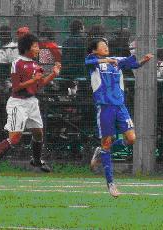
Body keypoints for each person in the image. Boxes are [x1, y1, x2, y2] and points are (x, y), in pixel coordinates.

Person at [0, 34, 61, 180]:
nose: (37, 48)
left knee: (38, 133)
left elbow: (39, 85)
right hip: (18, 103)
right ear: (27, 48)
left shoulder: (36, 65)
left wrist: (53, 74)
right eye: (35, 46)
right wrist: (33, 80)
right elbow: (16, 87)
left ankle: (36, 160)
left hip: (32, 102)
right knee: (15, 138)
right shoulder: (18, 63)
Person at [86, 38, 153, 197]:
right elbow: (88, 62)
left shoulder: (117, 60)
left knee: (131, 138)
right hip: (105, 107)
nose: (106, 47)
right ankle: (111, 184)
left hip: (120, 106)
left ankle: (101, 152)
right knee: (107, 143)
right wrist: (106, 59)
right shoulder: (93, 61)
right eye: (102, 45)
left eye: (107, 45)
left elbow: (133, 63)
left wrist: (143, 60)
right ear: (95, 50)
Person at [60, 20, 86, 94]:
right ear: (81, 28)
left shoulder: (66, 41)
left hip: (65, 71)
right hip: (78, 70)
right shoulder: (83, 41)